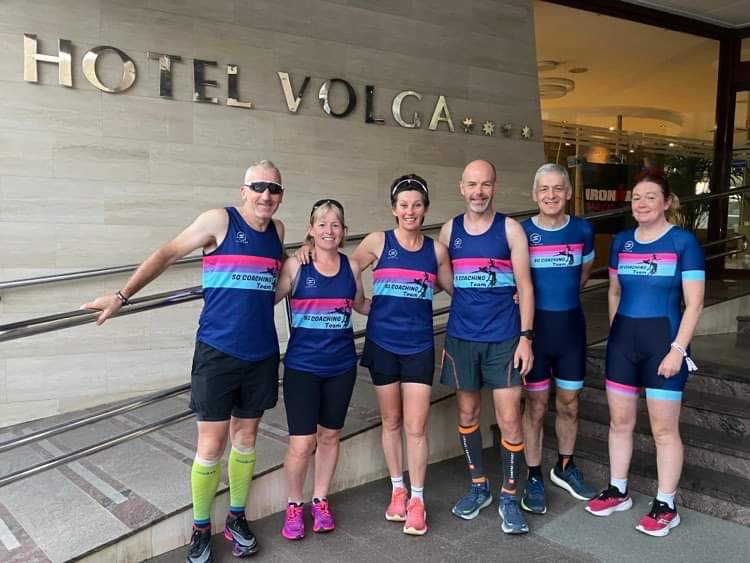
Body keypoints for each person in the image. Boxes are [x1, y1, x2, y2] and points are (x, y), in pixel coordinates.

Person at [82, 160, 286, 563]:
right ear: (243, 191)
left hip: (261, 352)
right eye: (258, 187)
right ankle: (200, 527)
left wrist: (305, 257)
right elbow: (168, 252)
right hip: (217, 352)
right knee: (210, 444)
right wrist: (122, 297)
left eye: (274, 188)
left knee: (246, 439)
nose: (266, 195)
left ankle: (237, 517)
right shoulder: (219, 221)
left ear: (280, 196)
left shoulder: (277, 232)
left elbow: (274, 278)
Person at [585, 170, 704, 538]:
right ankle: (618, 490)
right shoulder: (622, 241)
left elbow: (695, 303)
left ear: (666, 202)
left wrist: (677, 351)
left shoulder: (683, 242)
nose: (642, 203)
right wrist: (616, 335)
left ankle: (666, 504)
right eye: (637, 197)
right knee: (619, 422)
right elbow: (615, 292)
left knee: (664, 430)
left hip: (664, 345)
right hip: (623, 344)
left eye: (651, 196)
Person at [352, 174, 453, 536]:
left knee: (415, 426)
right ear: (394, 209)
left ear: (425, 209)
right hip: (382, 344)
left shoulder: (436, 251)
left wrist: (507, 295)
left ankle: (418, 499)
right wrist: (362, 303)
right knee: (391, 421)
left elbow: (457, 289)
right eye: (404, 205)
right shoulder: (379, 241)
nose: (410, 211)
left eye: (417, 205)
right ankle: (398, 490)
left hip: (419, 346)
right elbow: (349, 266)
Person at [438, 160, 535, 534]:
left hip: (505, 339)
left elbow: (525, 287)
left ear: (495, 186)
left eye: (486, 184)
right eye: (472, 184)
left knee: (509, 419)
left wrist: (526, 338)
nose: (478, 192)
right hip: (462, 338)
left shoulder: (510, 229)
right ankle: (479, 486)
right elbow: (440, 275)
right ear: (461, 187)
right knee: (467, 414)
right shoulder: (450, 230)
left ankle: (510, 494)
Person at [275, 199, 368, 540]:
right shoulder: (296, 266)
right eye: (322, 224)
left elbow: (361, 305)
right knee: (302, 443)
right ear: (311, 229)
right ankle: (294, 504)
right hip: (302, 367)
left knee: (329, 436)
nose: (329, 230)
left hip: (341, 366)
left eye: (336, 224)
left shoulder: (352, 267)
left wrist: (406, 302)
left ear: (343, 231)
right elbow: (268, 296)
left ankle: (320, 500)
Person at [520, 163, 597, 515]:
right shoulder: (522, 232)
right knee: (535, 405)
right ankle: (534, 474)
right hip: (536, 332)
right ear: (535, 194)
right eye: (544, 189)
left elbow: (583, 274)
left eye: (557, 188)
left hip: (571, 329)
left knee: (569, 403)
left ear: (568, 192)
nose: (550, 195)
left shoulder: (583, 230)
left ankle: (565, 466)